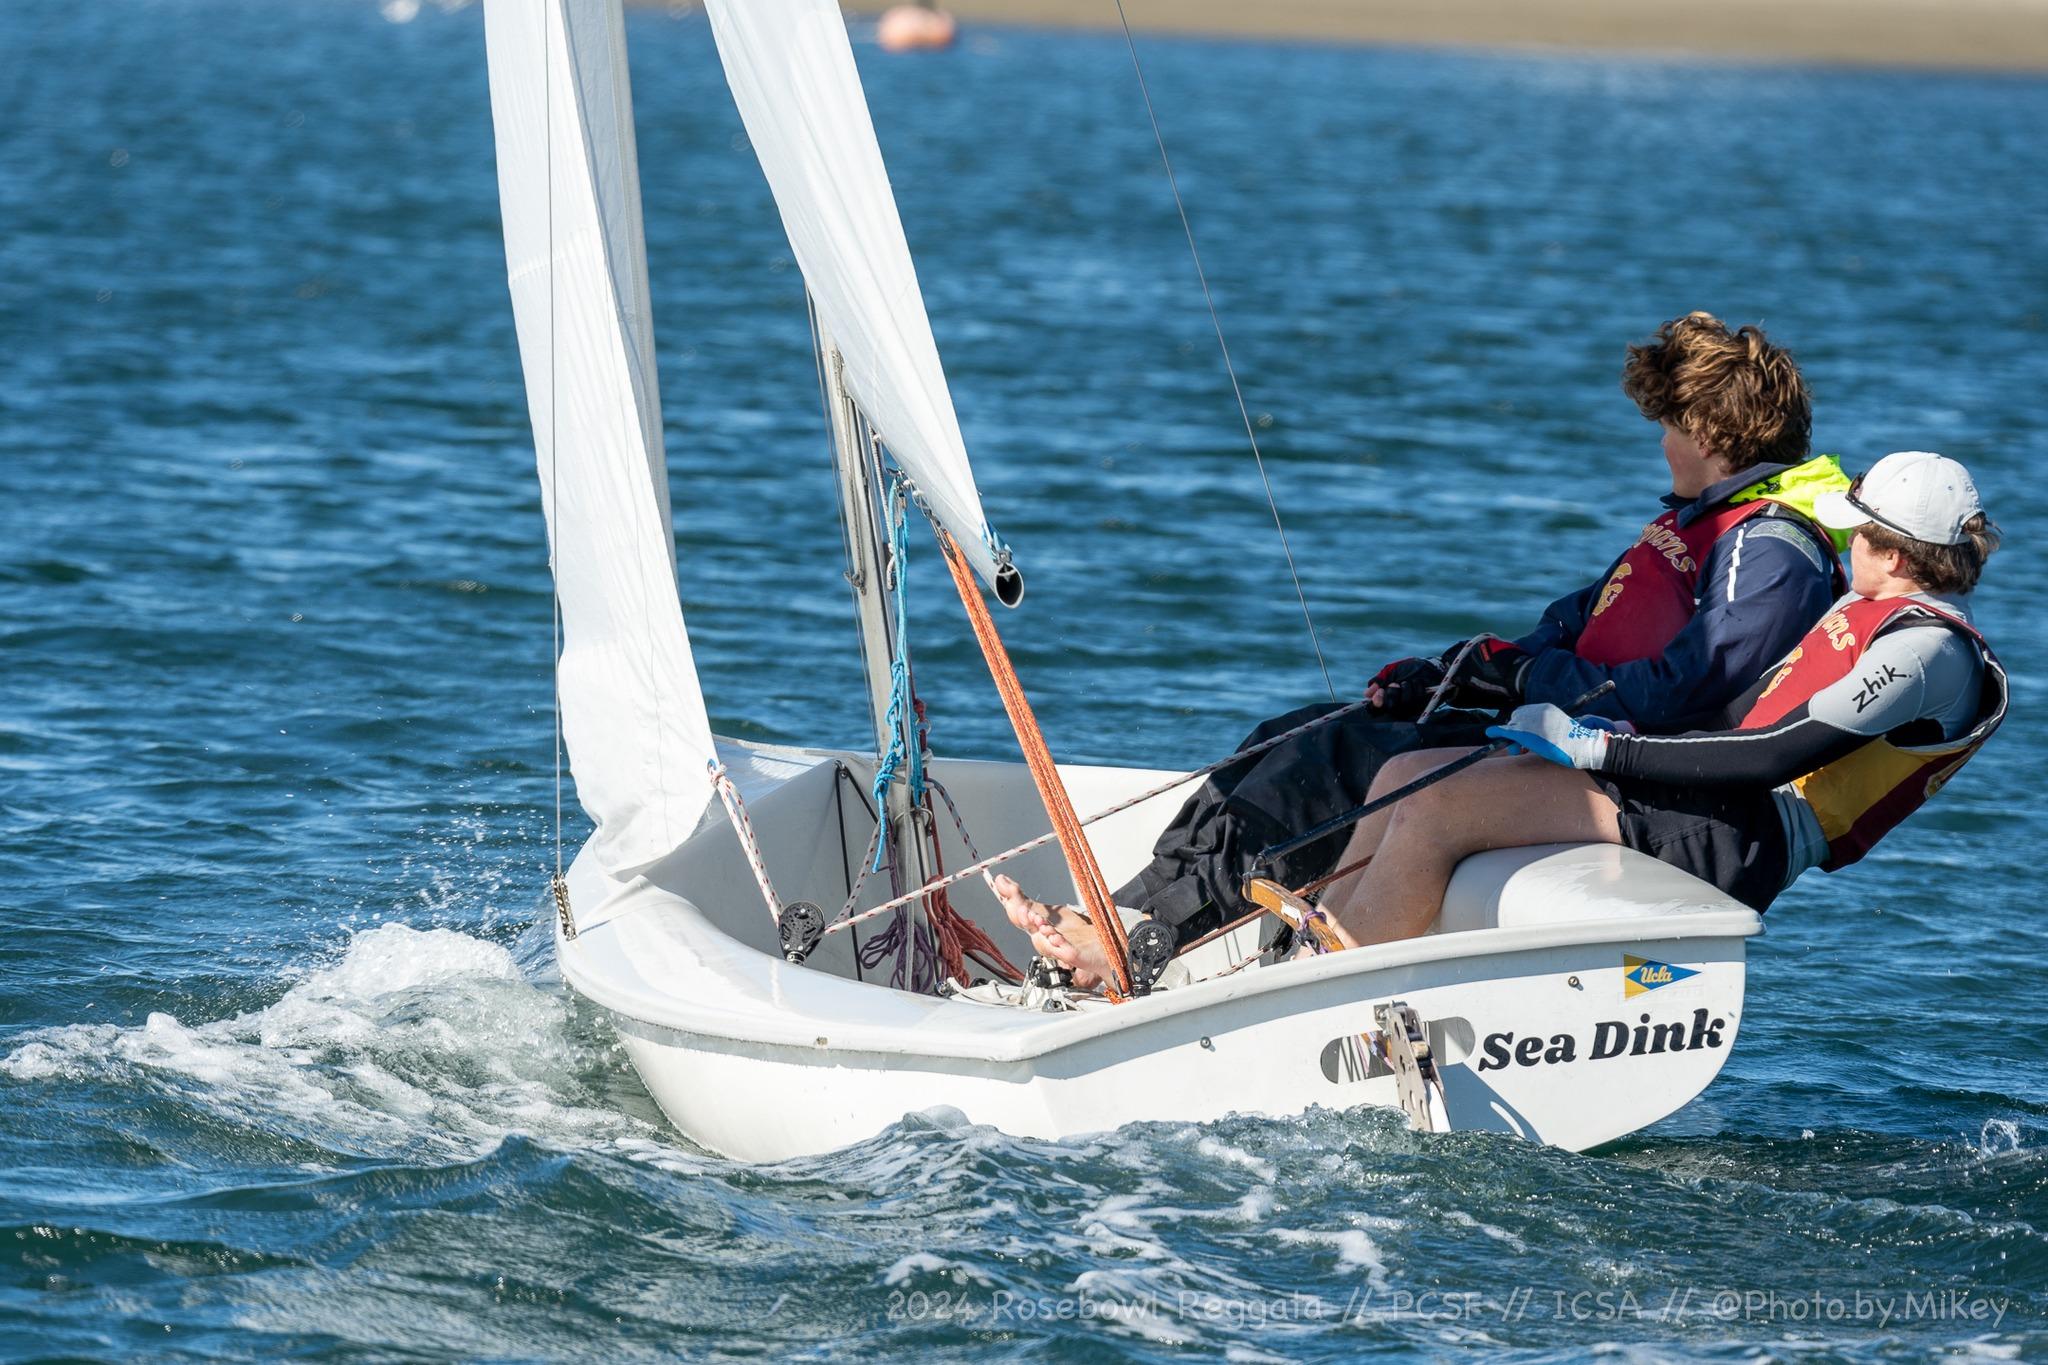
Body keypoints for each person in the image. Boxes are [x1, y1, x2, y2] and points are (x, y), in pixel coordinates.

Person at [999, 313, 1852, 988]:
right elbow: (1564, 630)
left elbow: (1683, 688)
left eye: (1667, 423)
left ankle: (1156, 946)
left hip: (1635, 776)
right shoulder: (1693, 526)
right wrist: (1453, 675)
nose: (1659, 440)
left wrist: (1524, 677)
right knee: (1303, 734)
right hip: (1557, 733)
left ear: (1706, 431)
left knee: (1346, 766)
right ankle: (1131, 923)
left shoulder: (1771, 547)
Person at [1314, 450, 2005, 946]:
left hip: (1743, 834)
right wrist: (1614, 729)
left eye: (1857, 533)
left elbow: (1768, 756)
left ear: (1897, 556)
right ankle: (1311, 955)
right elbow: (1740, 720)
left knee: (1438, 809)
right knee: (1406, 777)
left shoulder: (1929, 653)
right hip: (1709, 800)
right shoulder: (1871, 610)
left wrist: (1602, 747)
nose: (1846, 543)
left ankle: (1324, 1002)